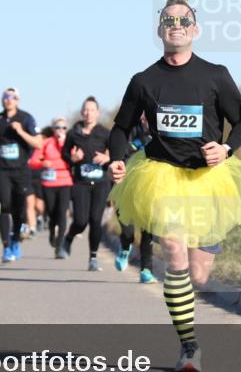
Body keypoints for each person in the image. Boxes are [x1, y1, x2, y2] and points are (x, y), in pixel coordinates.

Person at [108, 0, 241, 372]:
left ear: (195, 29)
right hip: (161, 176)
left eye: (183, 20)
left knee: (199, 275)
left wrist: (227, 148)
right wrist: (116, 159)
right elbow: (120, 128)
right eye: (168, 20)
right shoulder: (143, 81)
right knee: (174, 253)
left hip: (207, 181)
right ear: (159, 30)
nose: (175, 25)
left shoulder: (215, 75)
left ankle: (204, 262)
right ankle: (189, 345)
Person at [0, 88, 42, 262]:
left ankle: (15, 240)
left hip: (21, 171)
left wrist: (21, 132)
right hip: (2, 170)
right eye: (5, 97)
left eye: (12, 97)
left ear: (18, 100)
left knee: (19, 209)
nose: (8, 100)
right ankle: (5, 248)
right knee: (5, 205)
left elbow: (39, 143)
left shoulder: (26, 118)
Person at [63, 97, 112, 271]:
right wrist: (73, 158)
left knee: (95, 220)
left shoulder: (105, 133)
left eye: (91, 110)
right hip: (80, 183)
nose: (88, 113)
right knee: (81, 221)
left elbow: (117, 153)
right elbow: (64, 155)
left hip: (100, 182)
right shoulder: (73, 133)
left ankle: (93, 257)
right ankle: (69, 237)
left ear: (97, 113)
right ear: (82, 112)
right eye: (85, 109)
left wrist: (107, 158)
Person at [116, 114, 155, 283]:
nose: (145, 118)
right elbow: (119, 153)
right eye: (143, 115)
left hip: (151, 186)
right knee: (128, 227)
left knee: (147, 230)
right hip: (129, 183)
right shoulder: (131, 131)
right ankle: (125, 246)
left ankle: (146, 270)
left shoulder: (160, 132)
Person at [28, 118, 72, 258]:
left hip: (65, 181)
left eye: (64, 127)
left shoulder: (70, 143)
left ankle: (59, 247)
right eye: (58, 127)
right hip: (49, 183)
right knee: (52, 213)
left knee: (62, 212)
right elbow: (32, 161)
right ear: (53, 129)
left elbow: (77, 159)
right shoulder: (46, 143)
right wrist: (42, 163)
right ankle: (52, 232)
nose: (60, 130)